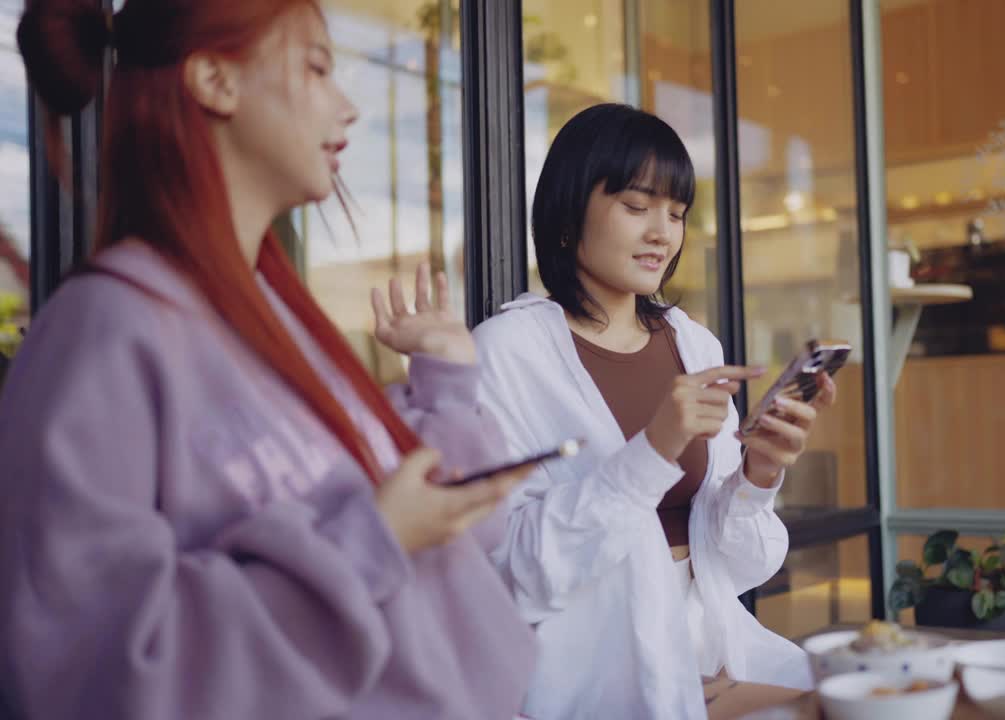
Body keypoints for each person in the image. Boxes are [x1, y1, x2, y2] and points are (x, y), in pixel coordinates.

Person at [0, 2, 534, 718]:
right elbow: (86, 672)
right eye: (315, 66)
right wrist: (370, 545)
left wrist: (444, 387)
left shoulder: (275, 317)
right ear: (216, 80)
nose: (346, 110)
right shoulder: (104, 329)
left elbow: (435, 531)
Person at [467, 103, 836, 718]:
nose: (662, 233)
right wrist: (653, 449)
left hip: (709, 642)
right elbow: (510, 571)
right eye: (636, 208)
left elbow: (740, 564)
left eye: (677, 213)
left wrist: (760, 474)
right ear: (566, 217)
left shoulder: (691, 344)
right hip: (588, 670)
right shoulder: (507, 353)